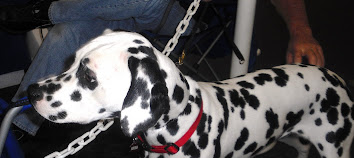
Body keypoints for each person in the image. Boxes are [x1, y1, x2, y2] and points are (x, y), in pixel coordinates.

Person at [0, 0, 324, 136]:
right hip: (128, 16)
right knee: (65, 33)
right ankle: (16, 127)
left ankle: (45, 9)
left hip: (189, 22)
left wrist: (302, 32)